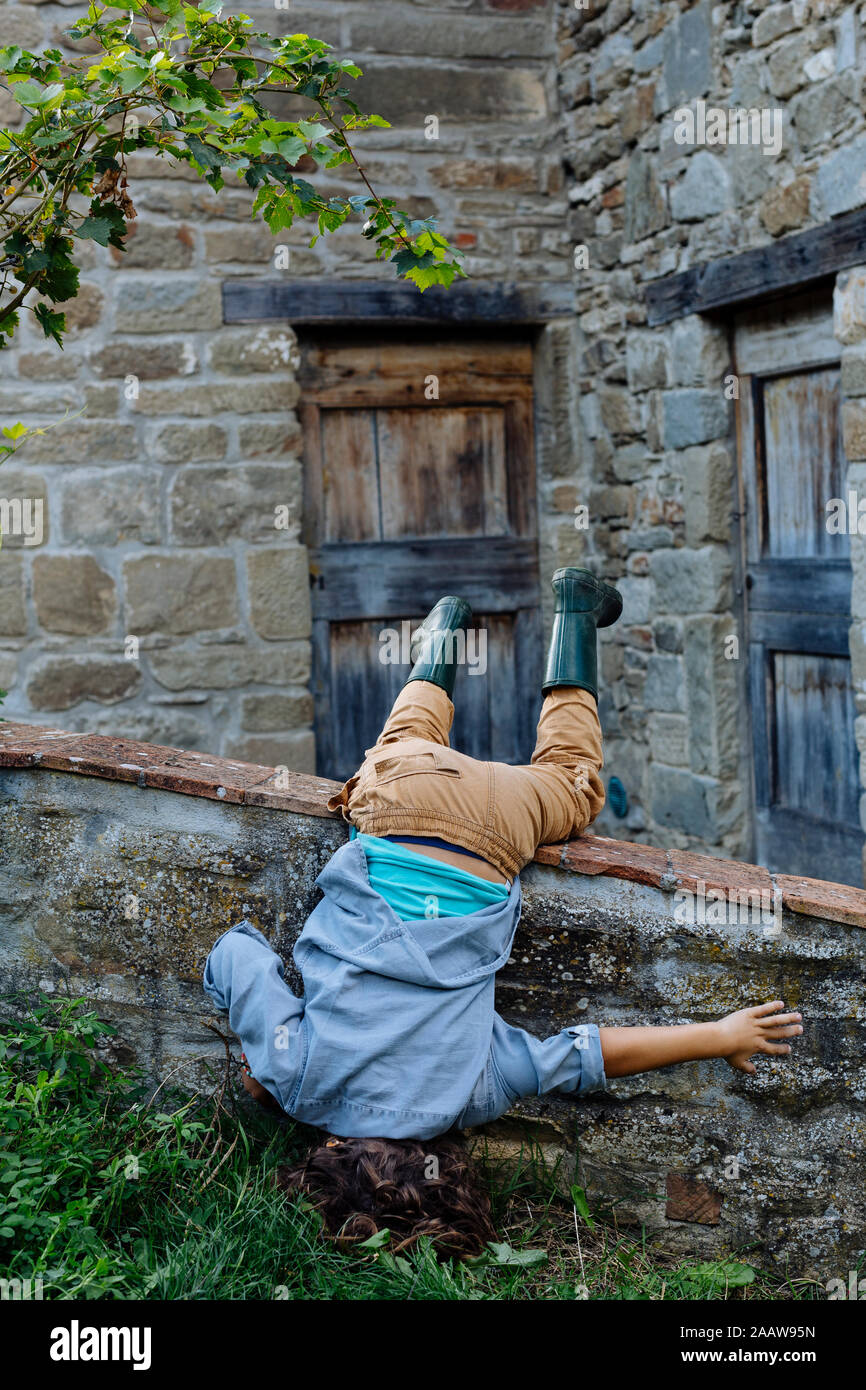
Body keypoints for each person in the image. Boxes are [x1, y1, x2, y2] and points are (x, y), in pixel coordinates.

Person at [203, 568, 803, 1259]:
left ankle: (575, 613)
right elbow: (233, 955)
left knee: (575, 780)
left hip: (499, 822)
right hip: (401, 799)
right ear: (328, 1157)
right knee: (403, 737)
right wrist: (262, 1062)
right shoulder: (298, 1077)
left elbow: (588, 1057)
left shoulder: (471, 1096)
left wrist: (720, 1034)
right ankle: (440, 646)